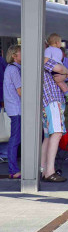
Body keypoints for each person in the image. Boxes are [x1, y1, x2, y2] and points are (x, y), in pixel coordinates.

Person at [41, 55, 68, 182]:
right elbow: (60, 69)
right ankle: (50, 172)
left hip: (45, 103)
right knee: (56, 133)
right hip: (52, 101)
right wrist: (67, 72)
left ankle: (42, 170)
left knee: (48, 136)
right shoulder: (42, 58)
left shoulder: (29, 62)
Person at [3, 45, 21, 178]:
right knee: (15, 140)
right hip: (17, 109)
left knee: (16, 139)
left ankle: (13, 169)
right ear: (14, 56)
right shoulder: (14, 70)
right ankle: (13, 170)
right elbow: (21, 91)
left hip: (15, 108)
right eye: (21, 52)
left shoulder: (12, 68)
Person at [43, 33, 68, 102]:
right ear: (57, 42)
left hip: (54, 69)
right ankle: (67, 94)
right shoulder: (59, 51)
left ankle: (67, 95)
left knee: (58, 81)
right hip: (60, 66)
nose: (61, 44)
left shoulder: (48, 50)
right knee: (61, 82)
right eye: (60, 42)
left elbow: (46, 60)